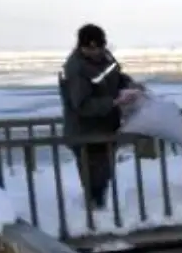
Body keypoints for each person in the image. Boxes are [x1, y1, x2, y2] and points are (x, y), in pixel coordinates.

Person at [58, 24, 144, 210]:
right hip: (85, 133)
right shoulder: (76, 68)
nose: (95, 51)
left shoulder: (106, 58)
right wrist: (114, 101)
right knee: (93, 180)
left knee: (104, 175)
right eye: (89, 48)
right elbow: (81, 105)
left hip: (106, 128)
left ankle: (99, 209)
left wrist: (129, 84)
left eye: (98, 47)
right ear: (81, 46)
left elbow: (116, 76)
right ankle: (93, 213)